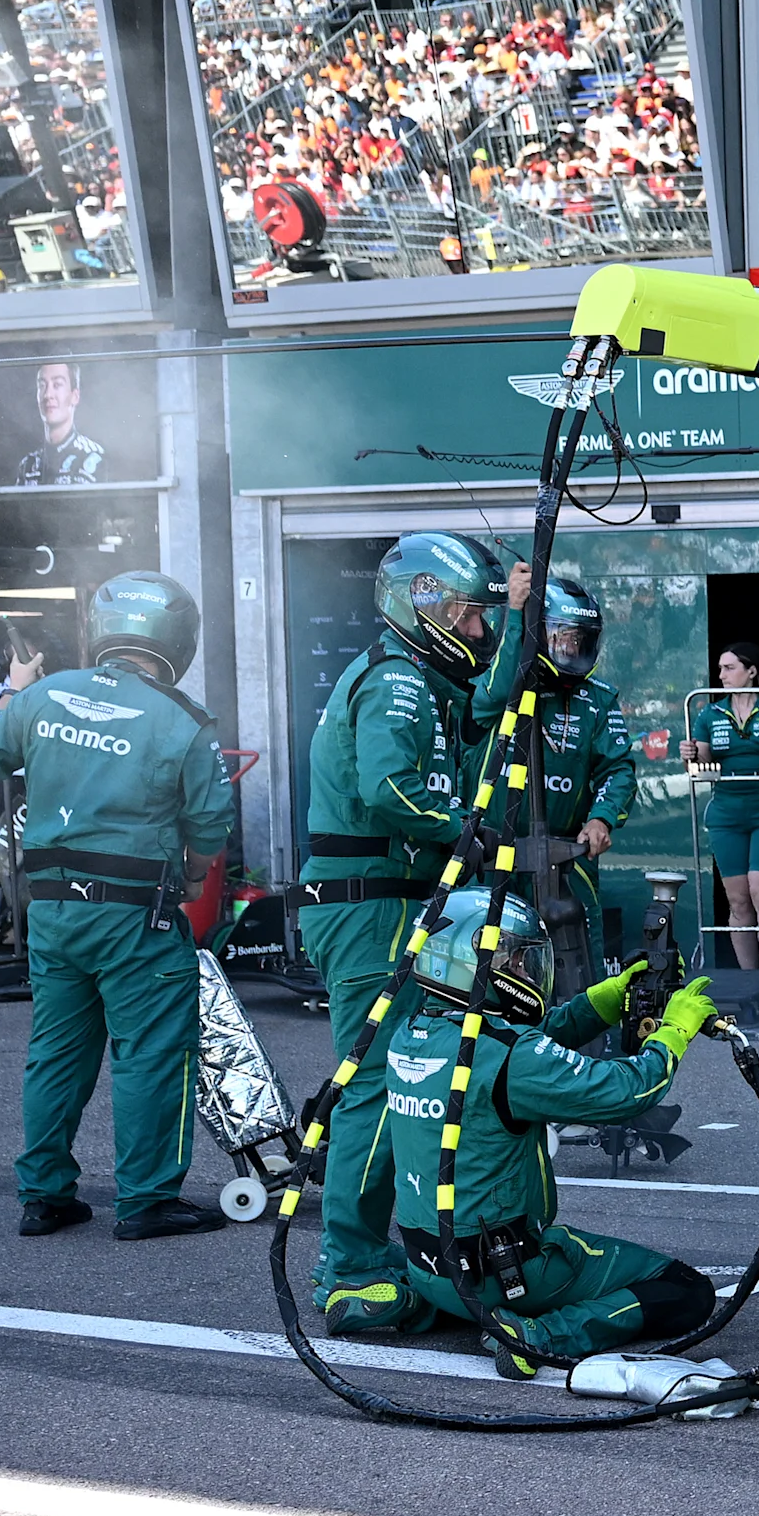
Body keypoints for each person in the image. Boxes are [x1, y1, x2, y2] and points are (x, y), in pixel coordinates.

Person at [299, 532, 534, 1333]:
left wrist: (518, 617)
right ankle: (352, 1268)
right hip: (373, 906)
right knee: (377, 1081)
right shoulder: (397, 683)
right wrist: (462, 828)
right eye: (472, 616)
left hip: (388, 899)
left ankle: (377, 1253)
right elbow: (388, 789)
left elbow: (486, 714)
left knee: (397, 1074)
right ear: (425, 602)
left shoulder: (423, 682)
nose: (478, 633)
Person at [0, 572, 236, 1241]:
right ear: (178, 639)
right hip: (136, 917)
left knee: (56, 1053)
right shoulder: (183, 721)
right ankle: (145, 1201)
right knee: (149, 1053)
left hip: (52, 912)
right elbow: (210, 822)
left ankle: (44, 1195)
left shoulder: (42, 697)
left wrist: (15, 689)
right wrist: (196, 873)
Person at [381, 890, 722, 1366]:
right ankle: (540, 1335)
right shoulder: (509, 1056)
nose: (525, 972)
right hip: (506, 1274)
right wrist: (674, 1031)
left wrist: (601, 1003)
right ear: (471, 957)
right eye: (517, 959)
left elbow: (524, 1052)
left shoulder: (414, 1031)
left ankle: (416, 1302)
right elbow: (627, 1091)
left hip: (431, 1266)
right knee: (686, 1291)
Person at [515, 575, 634, 990]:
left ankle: (588, 1050)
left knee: (583, 974)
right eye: (562, 637)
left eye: (578, 640)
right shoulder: (506, 686)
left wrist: (602, 819)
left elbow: (618, 768)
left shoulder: (599, 697)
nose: (569, 648)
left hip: (570, 854)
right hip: (502, 856)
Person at [685, 641, 759, 970]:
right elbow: (703, 763)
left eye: (729, 668)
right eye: (721, 669)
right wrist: (692, 755)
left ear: (751, 671)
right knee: (739, 901)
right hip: (726, 812)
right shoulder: (710, 713)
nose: (721, 675)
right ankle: (748, 979)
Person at [17, 361, 104, 486]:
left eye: (57, 385)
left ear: (75, 396)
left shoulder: (94, 457)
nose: (47, 395)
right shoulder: (28, 465)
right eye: (42, 386)